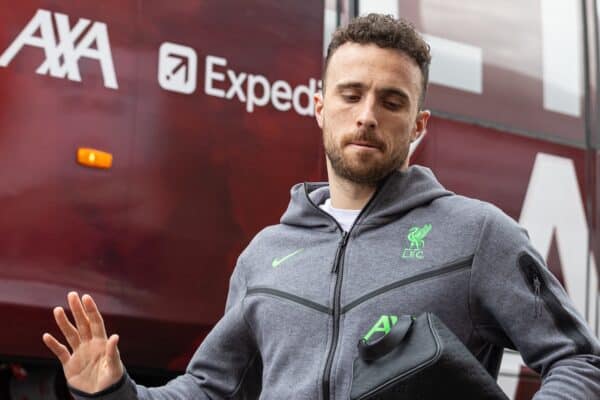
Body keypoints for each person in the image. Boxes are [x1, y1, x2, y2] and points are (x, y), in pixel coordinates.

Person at [43, 14, 600, 399]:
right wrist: (112, 391)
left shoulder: (476, 235)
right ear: (318, 106)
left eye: (392, 101)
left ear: (418, 125)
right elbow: (211, 389)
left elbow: (579, 360)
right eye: (351, 94)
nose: (367, 116)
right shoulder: (265, 254)